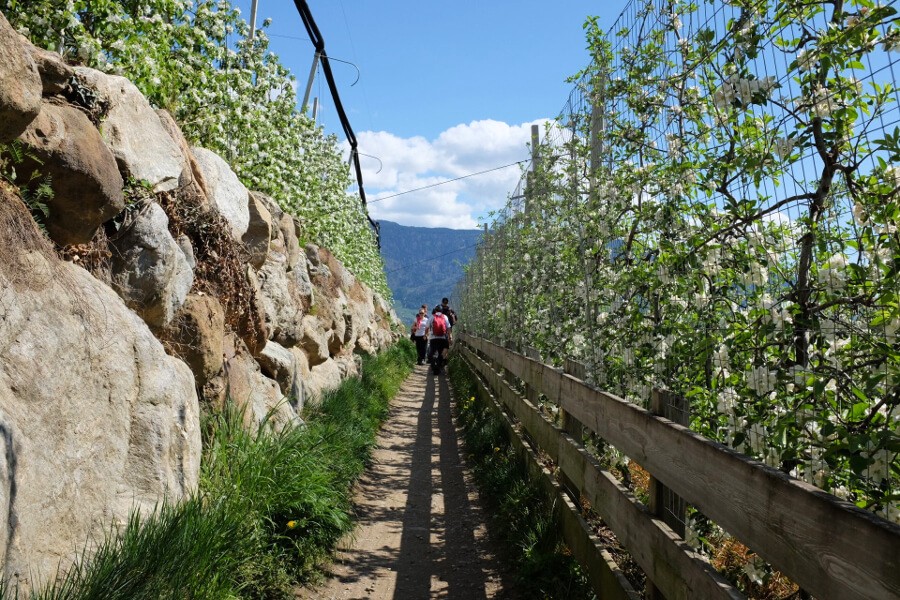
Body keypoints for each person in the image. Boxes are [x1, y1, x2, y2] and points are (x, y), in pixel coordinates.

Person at [426, 305, 451, 375]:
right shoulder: (445, 317)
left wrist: (426, 334)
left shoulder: (432, 317)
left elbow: (427, 327)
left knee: (432, 353)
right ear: (441, 310)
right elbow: (448, 328)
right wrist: (449, 337)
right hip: (442, 338)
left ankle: (434, 367)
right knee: (441, 353)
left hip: (433, 338)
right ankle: (439, 367)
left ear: (435, 310)